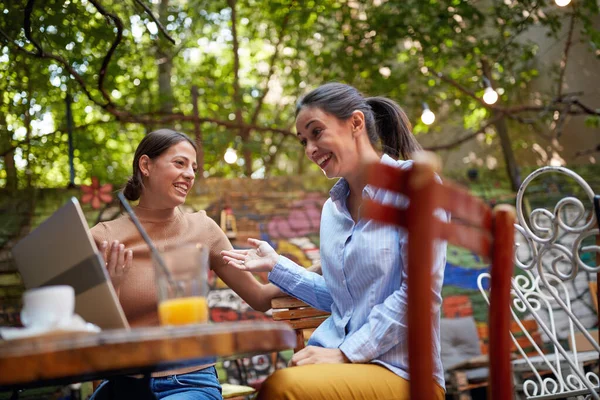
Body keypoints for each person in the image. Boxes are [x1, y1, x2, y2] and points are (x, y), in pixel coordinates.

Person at [221, 83, 447, 400]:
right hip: (340, 363)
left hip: (405, 374)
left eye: (316, 133)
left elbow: (420, 295)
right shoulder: (332, 211)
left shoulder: (414, 185)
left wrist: (345, 353)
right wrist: (277, 265)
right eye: (303, 141)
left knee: (282, 389)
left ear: (355, 123)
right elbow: (346, 303)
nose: (310, 149)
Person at [89, 129, 283, 400]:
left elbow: (260, 298)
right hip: (125, 383)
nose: (191, 174)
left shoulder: (203, 229)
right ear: (145, 165)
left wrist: (320, 270)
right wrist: (113, 289)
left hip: (191, 381)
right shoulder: (103, 238)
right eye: (179, 163)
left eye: (193, 167)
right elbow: (86, 331)